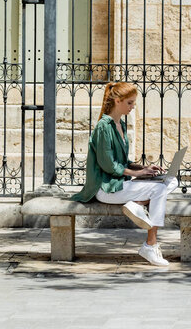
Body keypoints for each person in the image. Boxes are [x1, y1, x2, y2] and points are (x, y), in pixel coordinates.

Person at [71, 81, 178, 266]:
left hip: (121, 184)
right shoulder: (104, 127)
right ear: (117, 101)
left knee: (171, 180)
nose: (132, 107)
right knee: (159, 190)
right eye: (129, 103)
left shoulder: (118, 124)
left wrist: (144, 168)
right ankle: (150, 246)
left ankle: (137, 204)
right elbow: (109, 166)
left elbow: (124, 162)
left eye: (133, 103)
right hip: (106, 188)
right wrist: (138, 174)